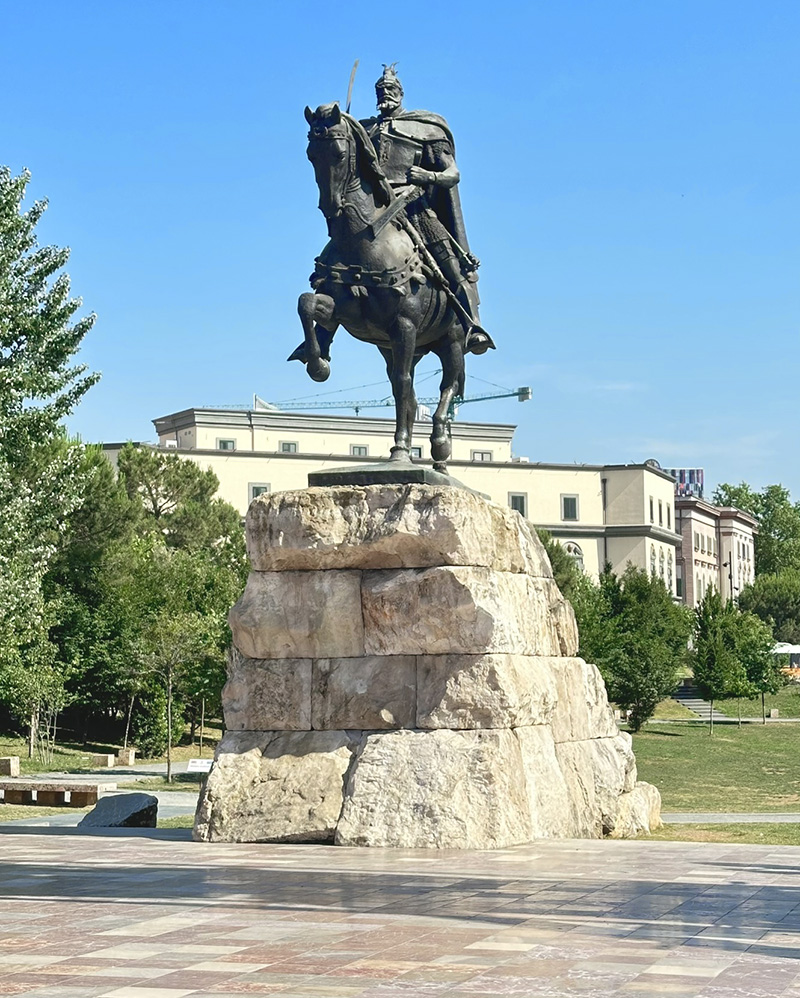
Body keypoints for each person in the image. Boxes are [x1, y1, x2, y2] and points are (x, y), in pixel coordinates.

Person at [360, 65, 494, 355]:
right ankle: (322, 329)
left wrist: (427, 177)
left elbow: (453, 173)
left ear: (401, 93)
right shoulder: (365, 130)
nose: (385, 95)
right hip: (373, 211)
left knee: (451, 266)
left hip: (412, 208)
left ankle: (474, 325)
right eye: (380, 91)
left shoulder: (424, 128)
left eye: (390, 90)